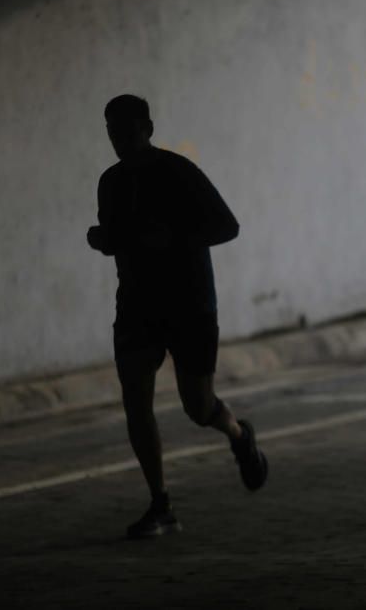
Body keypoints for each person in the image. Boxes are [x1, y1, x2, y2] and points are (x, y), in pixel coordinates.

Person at [87, 94, 268, 539]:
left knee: (198, 406)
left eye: (127, 132)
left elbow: (228, 227)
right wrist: (103, 239)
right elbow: (118, 237)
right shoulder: (110, 182)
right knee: (136, 398)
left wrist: (171, 239)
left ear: (148, 128)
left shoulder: (178, 171)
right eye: (112, 132)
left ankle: (238, 434)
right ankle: (160, 504)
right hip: (137, 305)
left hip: (190, 304)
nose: (119, 141)